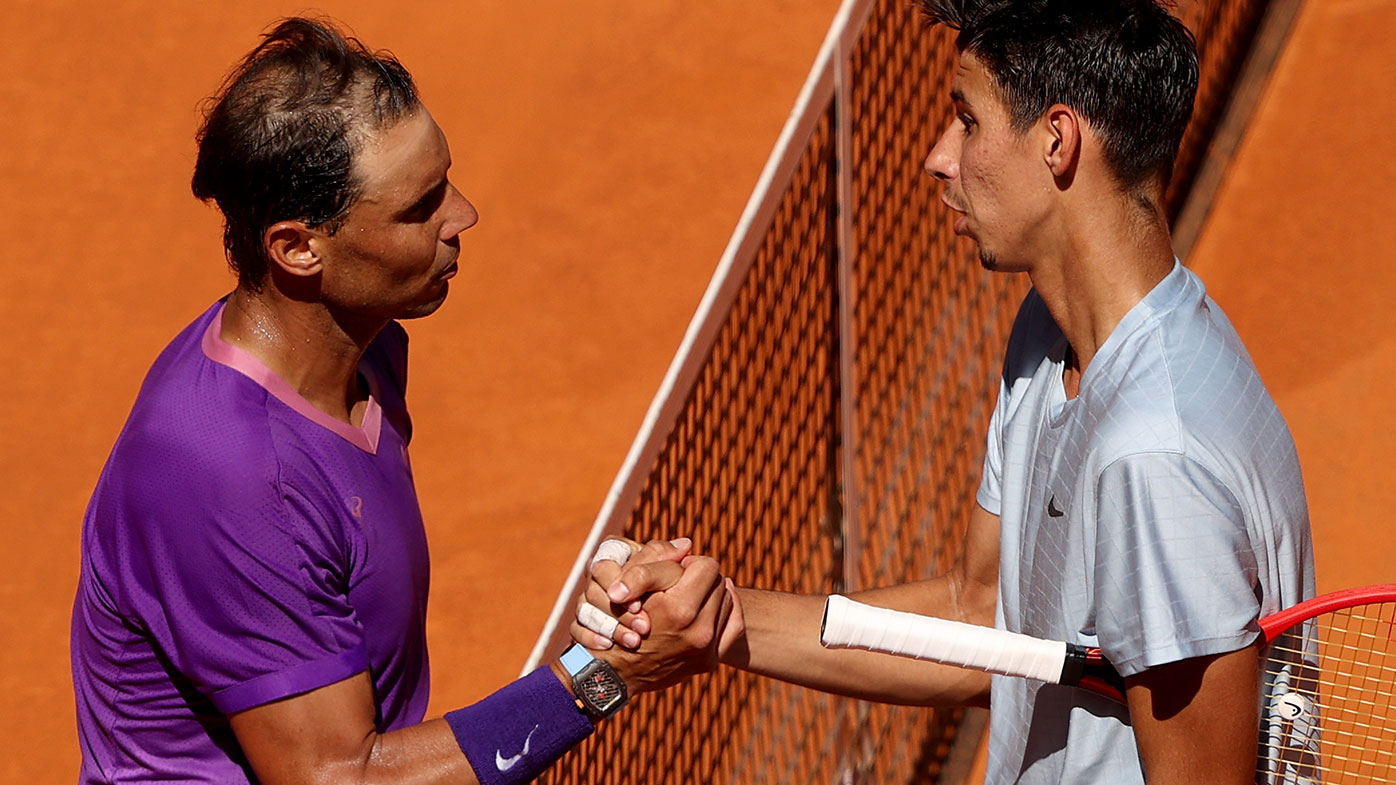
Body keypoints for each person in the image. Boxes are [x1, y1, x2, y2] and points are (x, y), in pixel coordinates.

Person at [573, 1, 1315, 783]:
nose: (938, 156)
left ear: (1057, 141)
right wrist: (716, 619)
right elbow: (984, 613)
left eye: (967, 121)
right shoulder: (1048, 335)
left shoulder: (1156, 456)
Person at [69, 17, 729, 785]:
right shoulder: (230, 475)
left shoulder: (368, 347)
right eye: (419, 209)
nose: (464, 217)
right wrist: (603, 673)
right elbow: (338, 776)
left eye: (445, 182)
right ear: (298, 248)